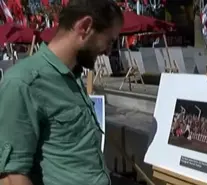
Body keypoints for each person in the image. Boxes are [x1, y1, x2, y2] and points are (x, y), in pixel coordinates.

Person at [0, 0, 123, 185]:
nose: (108, 51)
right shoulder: (23, 82)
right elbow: (11, 177)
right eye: (109, 41)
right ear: (85, 26)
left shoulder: (72, 77)